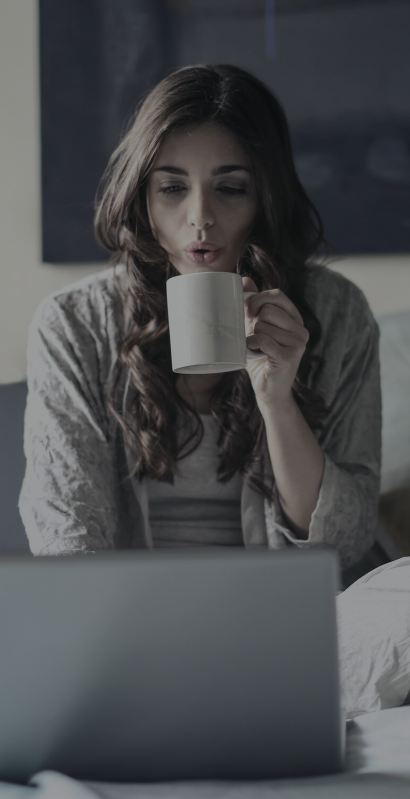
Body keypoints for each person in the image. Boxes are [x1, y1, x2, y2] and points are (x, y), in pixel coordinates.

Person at [19, 64, 381, 570]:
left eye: (231, 188)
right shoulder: (74, 324)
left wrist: (277, 401)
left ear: (266, 196)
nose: (200, 217)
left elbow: (345, 545)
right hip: (129, 613)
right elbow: (65, 532)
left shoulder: (336, 313)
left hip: (279, 611)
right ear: (141, 197)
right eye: (172, 188)